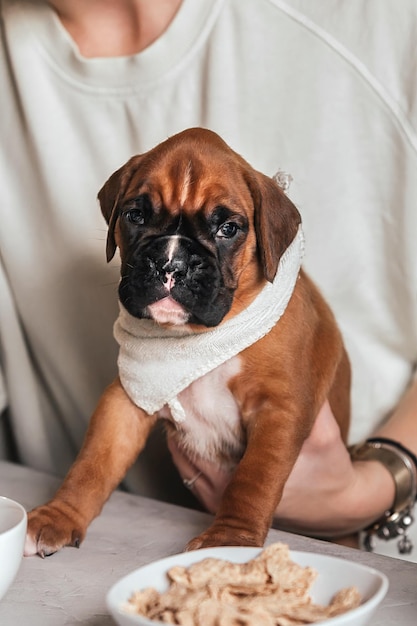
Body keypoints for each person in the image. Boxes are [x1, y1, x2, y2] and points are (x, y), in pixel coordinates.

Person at [1, 0, 416, 561]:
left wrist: (244, 524)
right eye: (141, 217)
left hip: (349, 537)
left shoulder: (272, 315)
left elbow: (280, 412)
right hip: (154, 531)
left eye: (222, 228)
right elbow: (130, 403)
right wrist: (68, 509)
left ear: (268, 235)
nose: (171, 263)